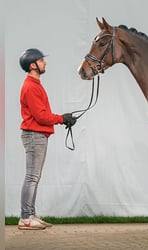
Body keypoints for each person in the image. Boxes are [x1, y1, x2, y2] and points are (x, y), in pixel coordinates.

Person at [17, 48, 76, 230]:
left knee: (34, 176)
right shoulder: (31, 87)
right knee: (32, 176)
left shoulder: (34, 84)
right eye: (42, 61)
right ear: (32, 65)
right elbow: (41, 117)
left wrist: (62, 119)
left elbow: (42, 115)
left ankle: (31, 214)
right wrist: (62, 119)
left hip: (37, 135)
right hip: (35, 135)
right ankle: (26, 217)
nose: (45, 63)